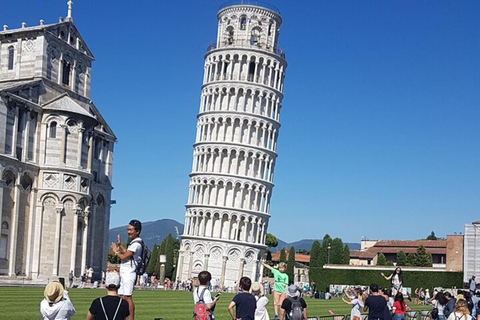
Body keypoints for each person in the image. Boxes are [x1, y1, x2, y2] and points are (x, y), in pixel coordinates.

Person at [110, 219, 143, 320]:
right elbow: (127, 253)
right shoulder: (134, 243)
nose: (128, 232)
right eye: (127, 229)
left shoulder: (137, 244)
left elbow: (124, 257)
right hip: (125, 272)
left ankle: (131, 318)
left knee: (127, 297)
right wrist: (120, 246)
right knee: (122, 297)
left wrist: (116, 251)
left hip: (129, 272)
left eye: (130, 230)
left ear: (137, 231)